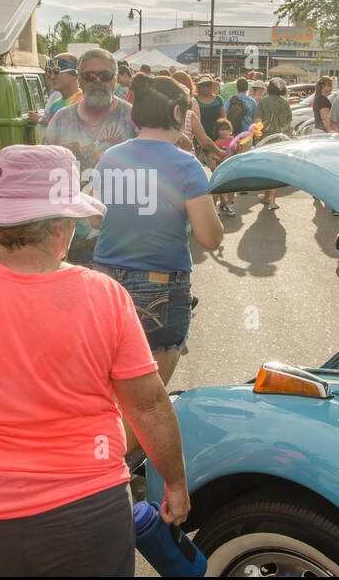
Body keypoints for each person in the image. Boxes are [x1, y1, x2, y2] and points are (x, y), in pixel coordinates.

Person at [0, 144, 190, 576]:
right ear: (61, 227)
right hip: (86, 514)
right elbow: (147, 405)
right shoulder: (104, 297)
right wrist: (175, 482)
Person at [92, 78, 224, 396]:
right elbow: (210, 238)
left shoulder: (111, 157)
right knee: (148, 400)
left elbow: (96, 220)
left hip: (106, 282)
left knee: (111, 388)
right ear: (178, 112)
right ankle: (121, 447)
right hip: (160, 285)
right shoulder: (186, 164)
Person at [44, 48, 138, 263]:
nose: (97, 81)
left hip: (122, 241)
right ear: (80, 80)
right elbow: (45, 172)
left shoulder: (133, 118)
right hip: (70, 240)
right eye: (89, 76)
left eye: (104, 76)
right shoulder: (61, 119)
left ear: (115, 79)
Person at [257, 78, 295, 211]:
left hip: (267, 139)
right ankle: (269, 198)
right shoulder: (285, 103)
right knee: (276, 169)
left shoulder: (263, 101)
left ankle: (270, 199)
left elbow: (258, 121)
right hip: (282, 139)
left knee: (267, 169)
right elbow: (290, 124)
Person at [41, 53, 80, 125]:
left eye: (57, 71)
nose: (52, 77)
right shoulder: (55, 105)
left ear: (74, 75)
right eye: (50, 72)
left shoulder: (83, 102)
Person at [211, 117, 238, 215]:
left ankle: (228, 205)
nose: (225, 131)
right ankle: (214, 207)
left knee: (232, 188)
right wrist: (220, 158)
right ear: (217, 131)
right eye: (222, 129)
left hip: (231, 168)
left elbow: (235, 152)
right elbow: (213, 155)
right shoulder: (217, 143)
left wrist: (233, 151)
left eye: (227, 129)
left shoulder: (232, 140)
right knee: (217, 188)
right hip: (220, 169)